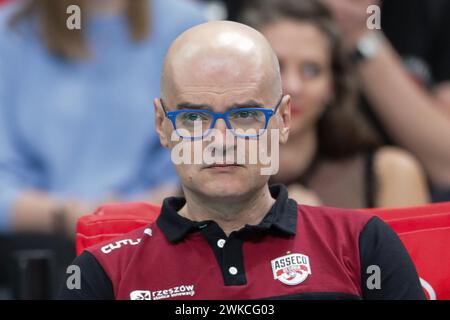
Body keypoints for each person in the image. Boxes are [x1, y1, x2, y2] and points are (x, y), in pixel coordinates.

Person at [59, 21, 425, 300]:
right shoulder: (102, 274)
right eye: (193, 118)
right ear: (162, 125)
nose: (220, 141)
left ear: (282, 120)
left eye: (245, 115)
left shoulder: (362, 243)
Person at [0, 0, 205, 237]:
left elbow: (196, 157)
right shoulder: (11, 33)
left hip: (160, 231)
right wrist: (75, 215)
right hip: (41, 241)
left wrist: (138, 211)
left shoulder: (186, 26)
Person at [240, 0, 429, 208]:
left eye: (311, 70)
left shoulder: (389, 173)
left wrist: (319, 229)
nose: (293, 87)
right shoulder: (210, 176)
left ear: (332, 86)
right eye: (276, 66)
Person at [323, 0, 450, 201]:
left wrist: (361, 37)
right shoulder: (271, 11)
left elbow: (446, 163)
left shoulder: (431, 10)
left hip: (404, 192)